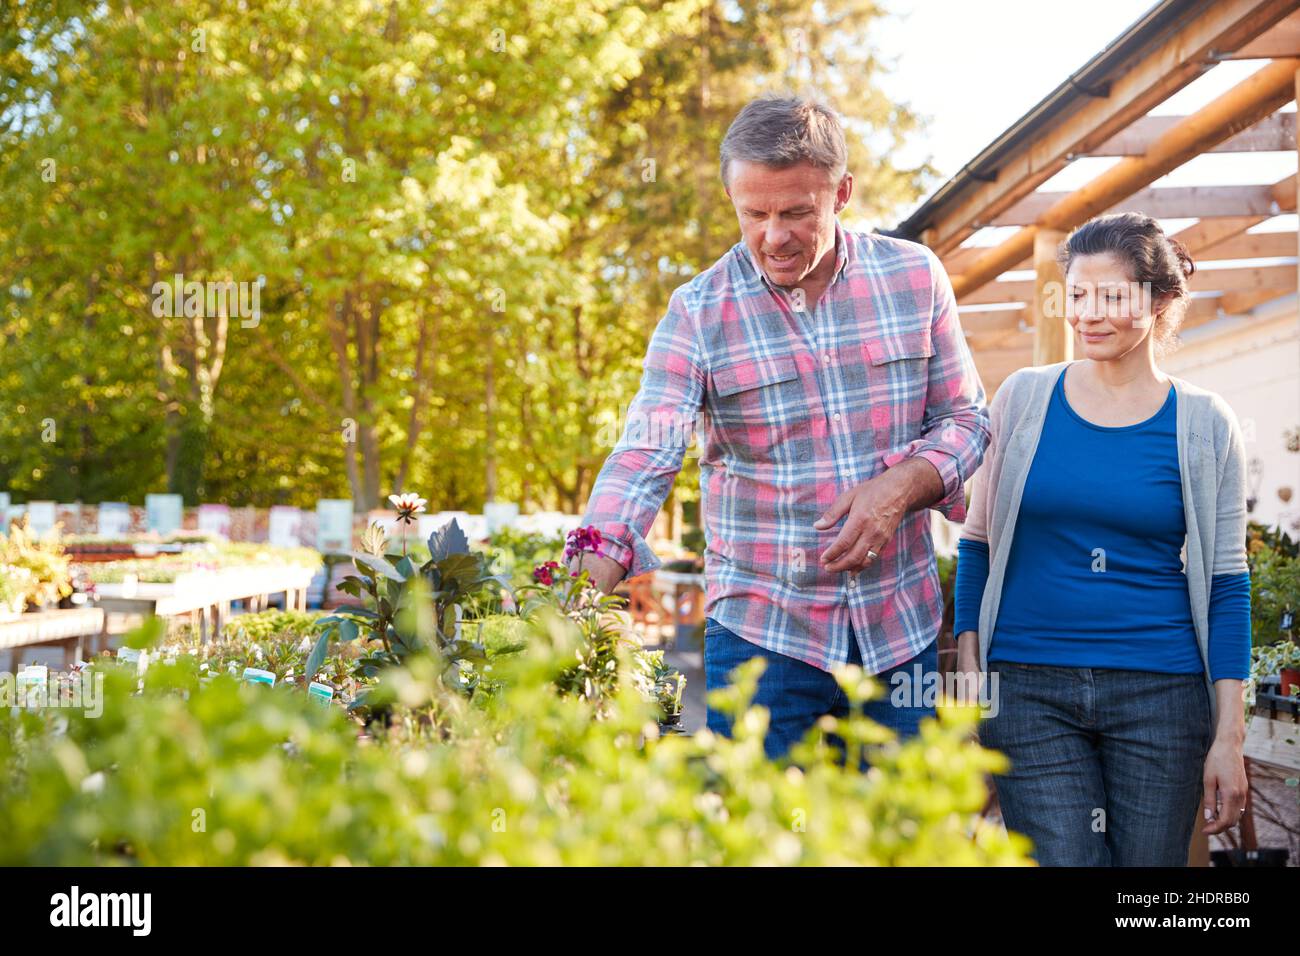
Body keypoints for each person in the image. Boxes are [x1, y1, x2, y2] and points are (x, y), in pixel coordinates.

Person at [571, 94, 989, 762]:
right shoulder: (698, 312)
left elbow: (967, 419)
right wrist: (586, 573)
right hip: (764, 634)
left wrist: (904, 486)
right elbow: (646, 450)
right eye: (754, 214)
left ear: (842, 192)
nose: (773, 235)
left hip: (898, 625)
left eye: (796, 212)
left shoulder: (915, 278)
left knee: (903, 842)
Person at [953, 212, 1251, 866]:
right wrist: (970, 666)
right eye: (1078, 295)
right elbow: (976, 545)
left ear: (1161, 302)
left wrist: (1228, 735)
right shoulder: (1023, 400)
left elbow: (1229, 586)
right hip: (1029, 689)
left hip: (1162, 694)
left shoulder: (1204, 423)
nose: (1088, 314)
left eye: (1112, 296)